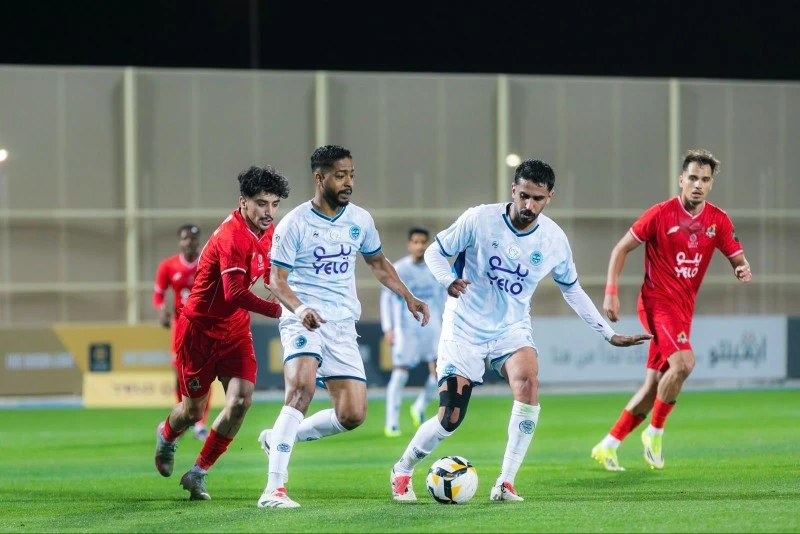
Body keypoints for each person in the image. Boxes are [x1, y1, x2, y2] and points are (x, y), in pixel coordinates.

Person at [389, 158, 651, 502]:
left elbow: (572, 289)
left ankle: (505, 482)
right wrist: (448, 279)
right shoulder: (479, 219)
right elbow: (436, 252)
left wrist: (608, 333)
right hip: (464, 326)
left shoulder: (554, 240)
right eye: (523, 195)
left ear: (549, 197)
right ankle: (403, 468)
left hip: (511, 329)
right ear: (513, 189)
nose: (529, 205)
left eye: (537, 198)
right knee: (450, 417)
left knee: (528, 382)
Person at [256, 145, 430, 509]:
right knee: (300, 390)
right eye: (340, 175)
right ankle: (274, 489)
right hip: (303, 319)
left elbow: (378, 263)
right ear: (319, 178)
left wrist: (408, 296)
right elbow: (275, 279)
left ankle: (279, 438)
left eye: (351, 174)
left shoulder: (360, 220)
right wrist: (300, 308)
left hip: (341, 324)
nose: (348, 182)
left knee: (352, 415)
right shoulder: (295, 223)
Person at [591, 149, 751, 472]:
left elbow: (738, 258)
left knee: (655, 385)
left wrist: (742, 268)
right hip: (656, 303)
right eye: (693, 178)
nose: (698, 185)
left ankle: (608, 445)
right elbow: (620, 249)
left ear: (711, 184)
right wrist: (611, 292)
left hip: (682, 310)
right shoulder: (660, 214)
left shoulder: (718, 221)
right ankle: (654, 432)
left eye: (705, 179)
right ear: (681, 180)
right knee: (684, 364)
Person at [153, 165, 289, 501]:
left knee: (241, 401)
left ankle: (198, 473)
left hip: (235, 332)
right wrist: (279, 310)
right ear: (243, 202)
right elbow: (233, 293)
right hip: (198, 331)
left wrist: (289, 294)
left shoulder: (268, 232)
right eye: (261, 203)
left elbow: (270, 275)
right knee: (192, 412)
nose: (269, 212)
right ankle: (167, 434)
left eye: (274, 204)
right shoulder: (231, 236)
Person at [380, 226, 446, 437]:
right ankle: (392, 422)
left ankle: (419, 406)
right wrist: (388, 327)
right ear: (409, 245)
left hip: (432, 328)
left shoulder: (435, 268)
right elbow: (387, 299)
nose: (419, 246)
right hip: (406, 328)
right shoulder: (399, 269)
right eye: (416, 242)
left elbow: (442, 298)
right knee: (400, 373)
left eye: (423, 242)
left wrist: (446, 324)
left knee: (439, 372)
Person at [152, 224, 211, 440]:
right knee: (179, 375)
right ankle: (184, 416)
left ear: (198, 241)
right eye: (186, 238)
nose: (190, 243)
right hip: (181, 326)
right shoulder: (168, 266)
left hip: (205, 325)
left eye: (193, 239)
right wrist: (161, 312)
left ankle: (201, 423)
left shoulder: (207, 262)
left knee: (205, 375)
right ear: (180, 241)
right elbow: (158, 294)